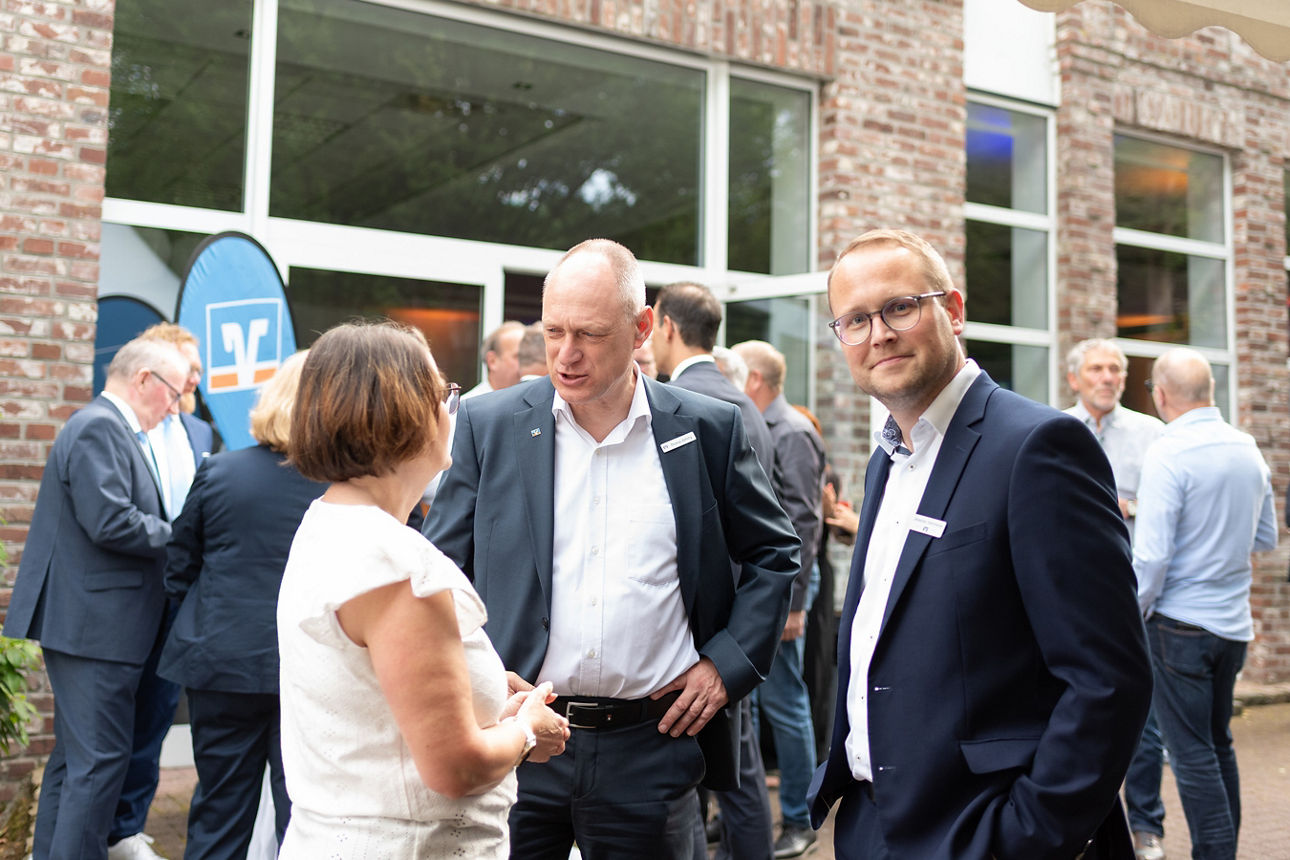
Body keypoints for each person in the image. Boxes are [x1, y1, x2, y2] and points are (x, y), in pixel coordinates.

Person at [423, 238, 800, 859]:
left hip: (650, 750)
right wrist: (474, 680)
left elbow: (773, 552)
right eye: (553, 332)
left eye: (590, 335)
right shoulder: (490, 425)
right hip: (516, 742)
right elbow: (440, 574)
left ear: (642, 327)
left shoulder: (705, 428)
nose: (565, 356)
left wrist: (726, 665)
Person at [808, 228, 1152, 859]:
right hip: (873, 826)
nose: (878, 333)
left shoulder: (1039, 449)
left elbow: (1109, 679)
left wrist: (1027, 835)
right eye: (854, 320)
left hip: (982, 831)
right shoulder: (888, 459)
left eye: (900, 307)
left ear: (955, 311)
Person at [276, 321, 568, 857]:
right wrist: (526, 729)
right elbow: (455, 768)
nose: (450, 410)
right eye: (444, 394)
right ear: (408, 413)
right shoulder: (397, 563)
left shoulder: (327, 524)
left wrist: (474, 684)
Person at [3, 337, 191, 860]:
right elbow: (110, 521)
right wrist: (184, 533)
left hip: (94, 626)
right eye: (173, 394)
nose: (174, 408)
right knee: (101, 762)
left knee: (75, 762)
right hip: (96, 629)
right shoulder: (99, 427)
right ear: (145, 380)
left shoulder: (103, 428)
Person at [156, 351, 321, 859]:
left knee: (219, 811)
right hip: (311, 669)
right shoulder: (351, 485)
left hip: (222, 663)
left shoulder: (221, 473)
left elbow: (179, 566)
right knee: (306, 817)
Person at [1134, 348, 1277, 860]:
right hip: (1233, 625)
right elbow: (1266, 536)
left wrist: (1135, 613)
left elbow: (1150, 557)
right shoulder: (1247, 447)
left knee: (1192, 754)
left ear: (1162, 395)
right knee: (1219, 744)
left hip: (1178, 627)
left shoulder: (1168, 453)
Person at [651, 280, 776, 860]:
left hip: (710, 629)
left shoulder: (692, 407)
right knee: (739, 766)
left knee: (728, 771)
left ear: (665, 327)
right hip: (734, 627)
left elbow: (762, 535)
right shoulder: (741, 398)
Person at [104, 323, 217, 860]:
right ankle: (101, 825)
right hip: (129, 593)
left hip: (179, 595)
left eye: (196, 370)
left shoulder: (198, 432)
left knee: (155, 713)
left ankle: (129, 826)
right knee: (112, 717)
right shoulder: (126, 423)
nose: (195, 378)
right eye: (188, 367)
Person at [1063, 337, 1167, 860]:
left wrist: (1134, 507)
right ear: (1074, 378)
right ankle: (1082, 820)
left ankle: (1148, 823)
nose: (1107, 378)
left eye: (1115, 370)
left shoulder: (1152, 435)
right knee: (1073, 710)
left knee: (1141, 718)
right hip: (1066, 594)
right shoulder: (1050, 429)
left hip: (1133, 594)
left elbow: (1172, 508)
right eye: (1097, 369)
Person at [732, 339, 825, 859]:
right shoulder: (768, 428)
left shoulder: (791, 432)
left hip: (787, 590)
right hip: (769, 589)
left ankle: (800, 819)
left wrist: (792, 601)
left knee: (787, 702)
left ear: (754, 382)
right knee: (767, 702)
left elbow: (804, 520)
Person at [464, 320, 526, 399]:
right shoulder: (466, 407)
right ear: (492, 361)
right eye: (519, 356)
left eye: (529, 357)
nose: (528, 363)